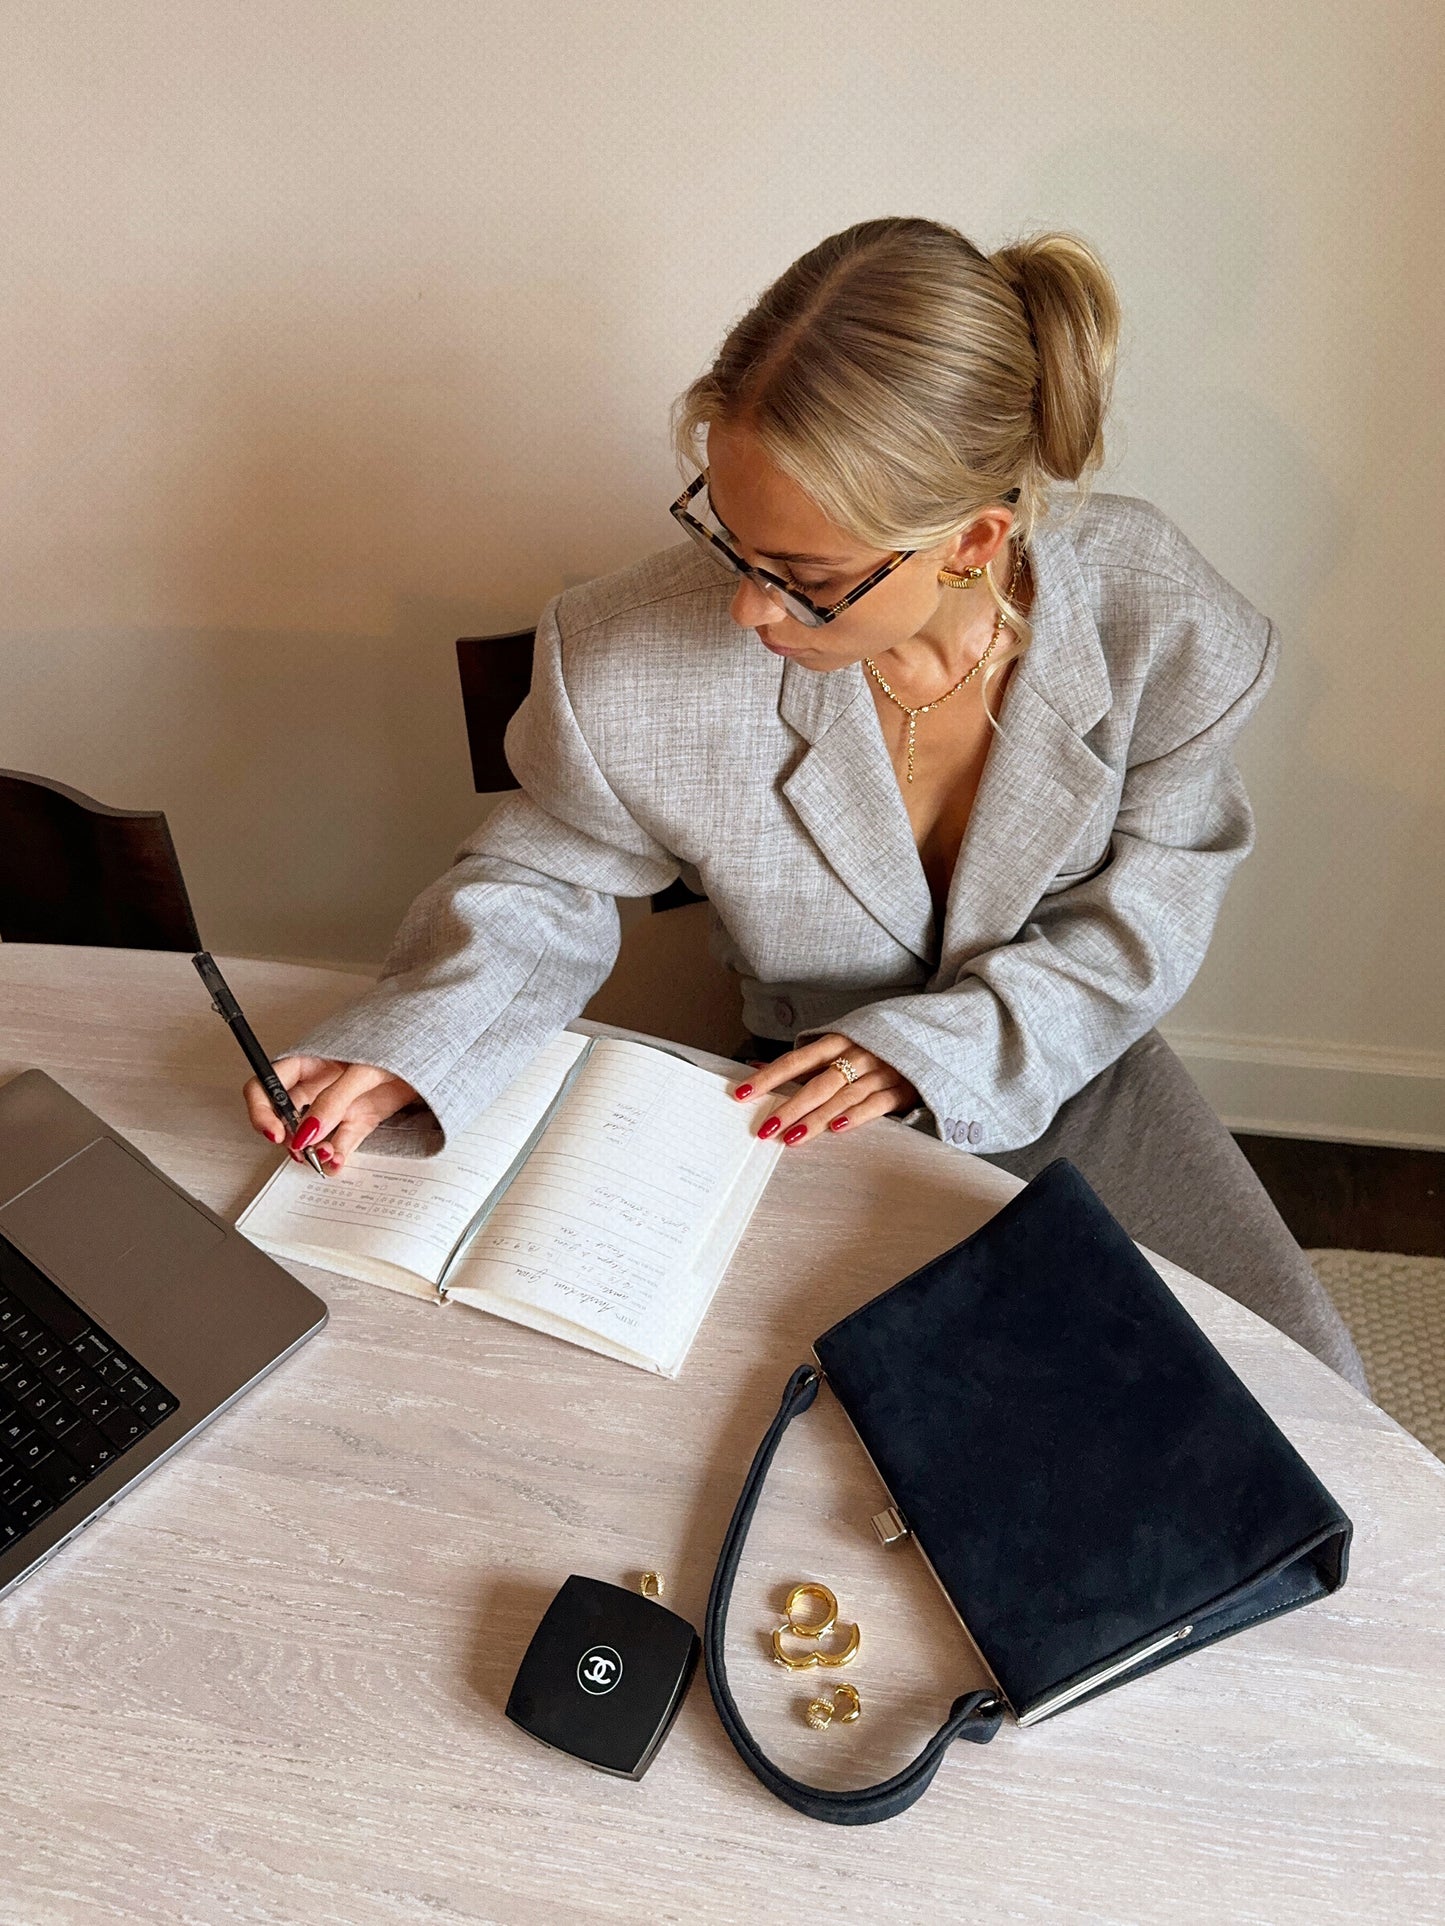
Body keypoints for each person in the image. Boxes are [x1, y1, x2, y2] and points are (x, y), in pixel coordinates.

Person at [243, 216, 1369, 1394]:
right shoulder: (621, 655)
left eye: (806, 580)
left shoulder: (1160, 622)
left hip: (1070, 1054)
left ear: (973, 541)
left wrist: (927, 1051)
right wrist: (418, 1044)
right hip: (796, 1100)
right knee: (877, 1424)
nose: (744, 609)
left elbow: (1146, 917)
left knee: (1305, 1396)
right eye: (725, 538)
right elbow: (544, 879)